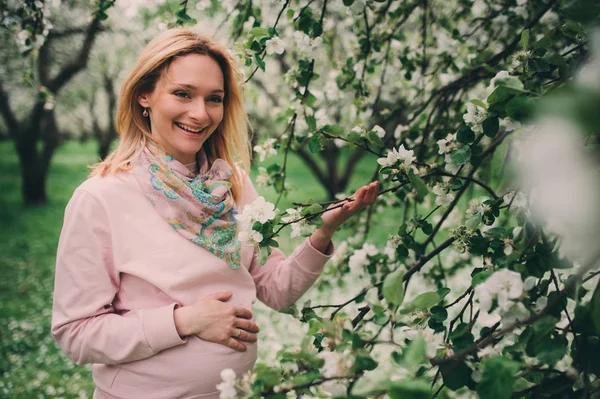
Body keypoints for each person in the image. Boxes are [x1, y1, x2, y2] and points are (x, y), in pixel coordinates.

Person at [51, 28, 379, 398]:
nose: (200, 113)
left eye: (214, 99)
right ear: (145, 95)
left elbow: (273, 290)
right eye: (183, 94)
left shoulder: (231, 183)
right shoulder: (102, 197)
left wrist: (321, 235)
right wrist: (183, 321)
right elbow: (75, 333)